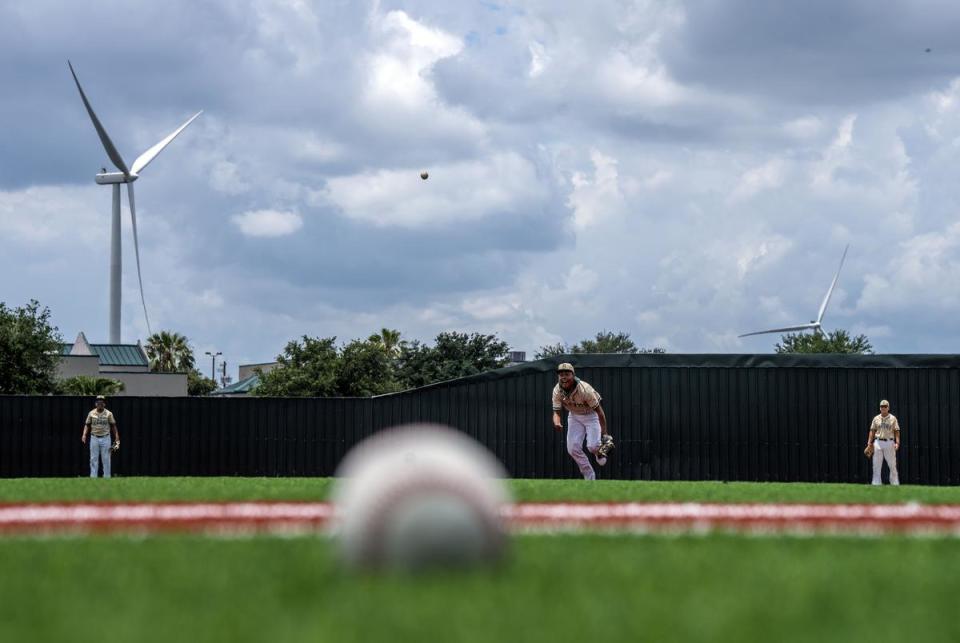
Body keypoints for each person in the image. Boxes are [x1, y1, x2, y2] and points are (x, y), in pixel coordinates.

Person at [551, 363, 614, 480]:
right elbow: (556, 412)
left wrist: (605, 434)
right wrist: (557, 422)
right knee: (572, 448)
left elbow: (600, 412)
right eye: (561, 374)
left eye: (567, 374)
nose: (563, 377)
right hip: (574, 416)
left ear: (573, 375)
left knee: (592, 446)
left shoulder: (585, 389)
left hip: (591, 415)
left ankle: (599, 452)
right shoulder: (557, 390)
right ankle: (589, 476)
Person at [81, 395, 120, 478]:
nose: (100, 404)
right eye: (98, 402)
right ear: (96, 404)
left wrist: (117, 437)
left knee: (106, 459)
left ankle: (106, 478)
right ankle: (93, 478)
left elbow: (113, 426)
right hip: (94, 437)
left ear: (104, 404)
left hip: (106, 438)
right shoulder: (91, 413)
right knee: (93, 458)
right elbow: (87, 425)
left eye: (102, 402)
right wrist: (84, 435)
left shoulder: (109, 413)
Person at [866, 399, 900, 486]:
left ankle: (895, 484)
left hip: (889, 442)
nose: (883, 408)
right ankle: (876, 484)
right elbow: (872, 431)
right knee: (876, 465)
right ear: (880, 408)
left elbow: (896, 431)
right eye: (882, 406)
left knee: (892, 465)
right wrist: (869, 442)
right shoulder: (876, 418)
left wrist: (897, 442)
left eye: (885, 406)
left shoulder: (893, 418)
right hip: (878, 442)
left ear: (888, 408)